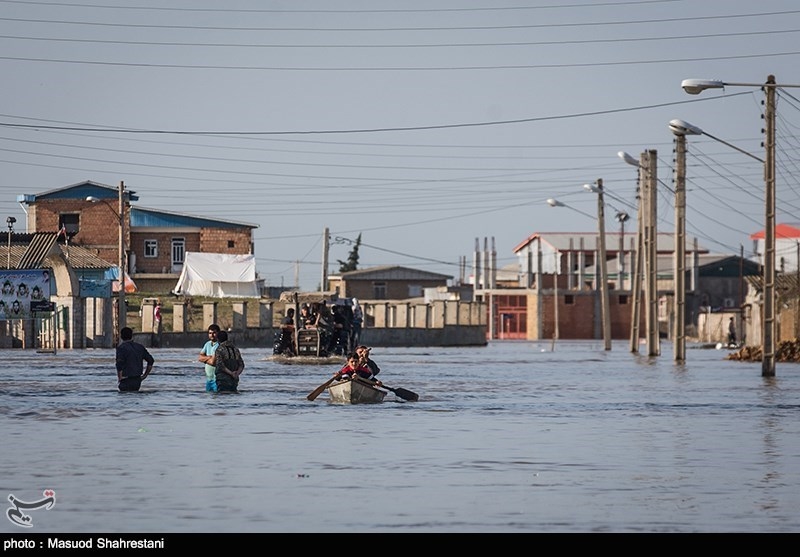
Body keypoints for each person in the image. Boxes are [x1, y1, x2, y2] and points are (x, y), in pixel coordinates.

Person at [115, 327, 154, 392]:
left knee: (124, 397)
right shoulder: (140, 347)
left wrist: (120, 378)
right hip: (137, 380)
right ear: (131, 336)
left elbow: (119, 364)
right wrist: (145, 375)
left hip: (126, 379)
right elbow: (151, 360)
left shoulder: (121, 348)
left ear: (121, 336)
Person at [198, 324, 220, 392]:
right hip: (208, 379)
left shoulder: (219, 345)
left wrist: (205, 359)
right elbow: (200, 358)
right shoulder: (207, 344)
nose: (212, 335)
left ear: (218, 333)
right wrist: (209, 357)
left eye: (214, 333)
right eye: (210, 333)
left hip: (217, 379)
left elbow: (213, 362)